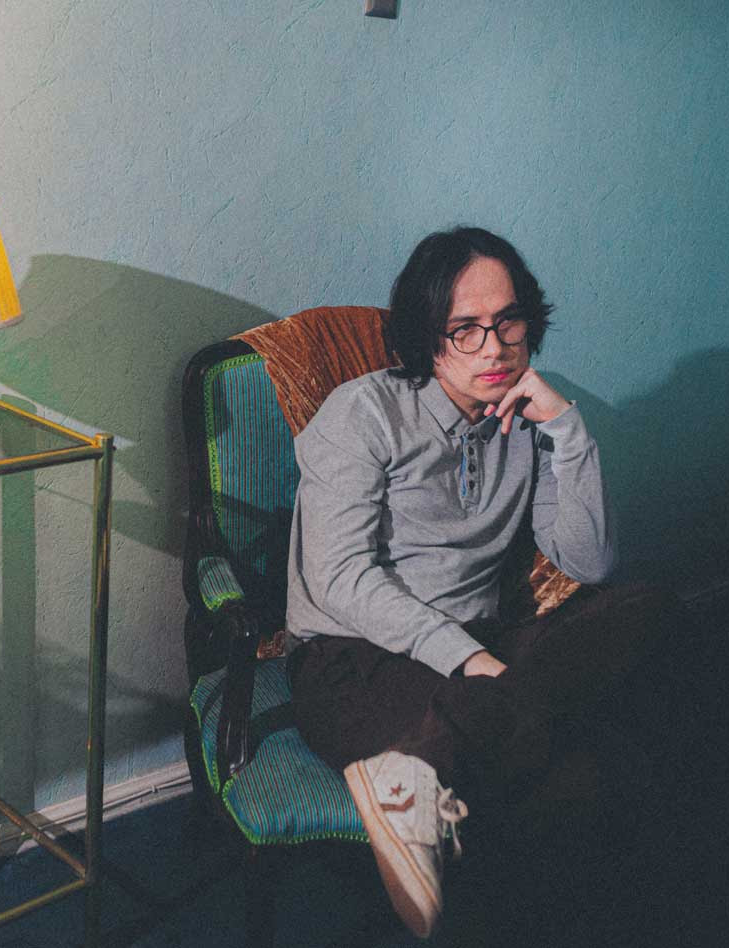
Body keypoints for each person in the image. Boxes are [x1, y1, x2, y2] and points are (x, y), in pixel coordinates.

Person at [285, 226, 674, 939]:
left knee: (648, 606)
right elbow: (338, 578)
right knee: (572, 779)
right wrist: (467, 659)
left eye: (508, 322)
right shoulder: (363, 413)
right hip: (355, 662)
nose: (494, 348)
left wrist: (568, 431)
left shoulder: (529, 422)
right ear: (426, 338)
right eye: (465, 329)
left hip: (482, 648)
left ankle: (417, 767)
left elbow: (589, 562)